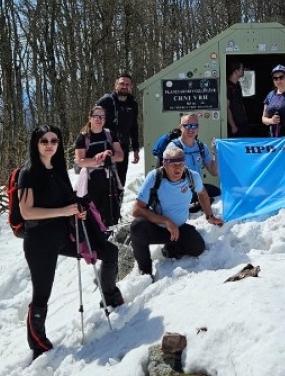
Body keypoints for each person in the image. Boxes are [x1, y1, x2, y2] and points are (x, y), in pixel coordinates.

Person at [18, 124, 122, 359]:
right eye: (44, 141)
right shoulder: (28, 173)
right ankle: (38, 345)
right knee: (42, 293)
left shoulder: (57, 169)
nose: (49, 145)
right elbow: (27, 212)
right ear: (36, 144)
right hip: (39, 241)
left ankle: (110, 295)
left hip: (64, 235)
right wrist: (64, 211)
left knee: (109, 251)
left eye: (54, 140)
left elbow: (67, 200)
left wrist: (77, 210)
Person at [129, 144, 224, 278]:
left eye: (181, 164)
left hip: (178, 229)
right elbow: (136, 209)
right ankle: (145, 272)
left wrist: (209, 216)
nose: (178, 168)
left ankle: (170, 250)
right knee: (137, 226)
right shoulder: (154, 177)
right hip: (156, 228)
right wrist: (166, 221)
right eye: (173, 165)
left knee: (198, 248)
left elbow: (202, 193)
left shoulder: (192, 176)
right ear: (164, 164)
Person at [74, 106, 125, 226]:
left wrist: (109, 156)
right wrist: (98, 159)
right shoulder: (83, 137)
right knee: (93, 213)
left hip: (109, 179)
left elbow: (120, 156)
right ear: (90, 118)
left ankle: (110, 232)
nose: (99, 119)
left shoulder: (110, 135)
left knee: (111, 212)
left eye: (102, 117)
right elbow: (80, 161)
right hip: (90, 181)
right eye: (96, 116)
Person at [96, 73, 141, 191]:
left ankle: (118, 203)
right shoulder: (107, 100)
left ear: (131, 86)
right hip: (106, 148)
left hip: (123, 148)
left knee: (120, 183)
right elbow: (93, 121)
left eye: (127, 84)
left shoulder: (132, 103)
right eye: (122, 83)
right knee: (105, 183)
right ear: (116, 84)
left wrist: (136, 149)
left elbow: (134, 126)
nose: (124, 86)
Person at [173, 113, 221, 206]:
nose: (191, 129)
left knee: (217, 193)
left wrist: (215, 153)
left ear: (198, 128)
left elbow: (214, 172)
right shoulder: (173, 148)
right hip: (179, 191)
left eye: (194, 126)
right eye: (187, 126)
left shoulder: (201, 147)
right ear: (180, 127)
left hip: (197, 189)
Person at [226, 61, 248, 137]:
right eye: (242, 69)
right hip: (235, 125)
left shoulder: (237, 85)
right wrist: (233, 126)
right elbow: (227, 107)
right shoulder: (228, 87)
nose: (243, 70)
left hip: (242, 123)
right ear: (236, 71)